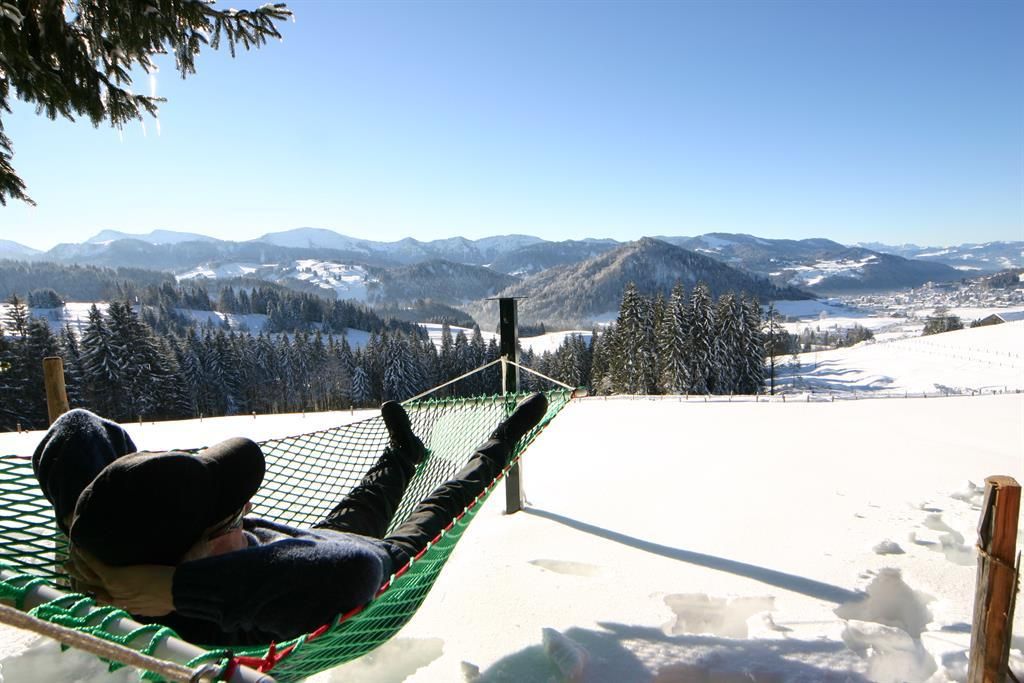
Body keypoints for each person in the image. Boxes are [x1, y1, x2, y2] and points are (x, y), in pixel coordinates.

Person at [32, 393, 549, 646]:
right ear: (189, 559)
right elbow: (349, 569)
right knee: (445, 499)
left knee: (366, 500)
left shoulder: (113, 531)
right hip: (370, 561)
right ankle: (501, 440)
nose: (248, 508)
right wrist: (179, 591)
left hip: (308, 538)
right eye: (233, 513)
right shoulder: (212, 616)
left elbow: (75, 429)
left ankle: (403, 453)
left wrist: (86, 541)